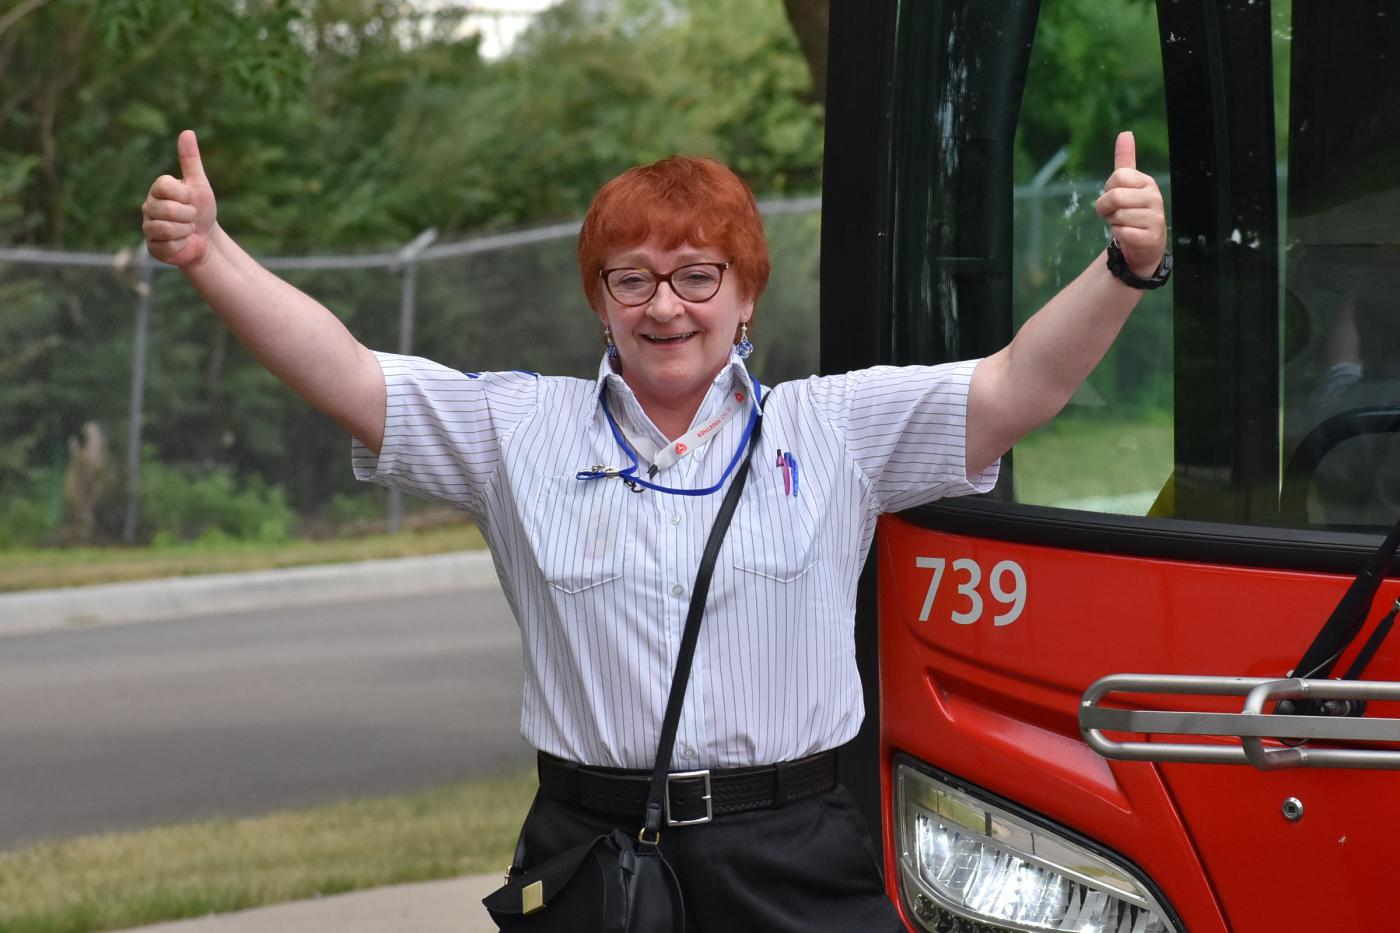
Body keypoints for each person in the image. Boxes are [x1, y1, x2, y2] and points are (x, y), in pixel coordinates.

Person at [141, 128, 1166, 932]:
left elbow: (1015, 384)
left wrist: (1122, 270)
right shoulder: (516, 428)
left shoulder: (832, 428)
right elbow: (349, 372)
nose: (663, 305)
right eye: (629, 277)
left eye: (695, 275)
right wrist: (209, 253)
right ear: (599, 301)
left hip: (791, 855)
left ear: (745, 294)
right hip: (595, 856)